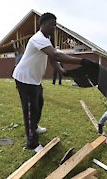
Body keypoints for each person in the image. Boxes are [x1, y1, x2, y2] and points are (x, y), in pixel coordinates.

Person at [12, 12, 95, 153]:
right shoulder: (38, 38)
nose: (54, 28)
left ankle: (35, 127)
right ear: (42, 24)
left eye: (55, 25)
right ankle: (32, 143)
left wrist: (60, 70)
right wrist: (82, 61)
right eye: (51, 24)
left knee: (39, 103)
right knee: (30, 110)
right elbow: (56, 55)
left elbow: (51, 58)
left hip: (34, 80)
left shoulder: (46, 40)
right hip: (24, 79)